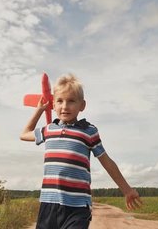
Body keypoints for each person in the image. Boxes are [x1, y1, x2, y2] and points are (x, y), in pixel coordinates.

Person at [20, 73, 142, 229]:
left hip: (77, 206)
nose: (65, 106)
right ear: (53, 105)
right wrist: (39, 110)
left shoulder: (88, 131)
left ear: (82, 105)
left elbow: (107, 162)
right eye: (60, 101)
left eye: (71, 101)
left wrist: (127, 190)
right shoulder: (49, 130)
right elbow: (24, 134)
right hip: (49, 202)